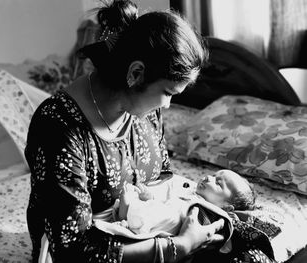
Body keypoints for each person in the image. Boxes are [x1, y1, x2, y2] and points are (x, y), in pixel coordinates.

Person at [25, 0, 225, 262]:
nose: (168, 104)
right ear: (136, 73)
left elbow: (162, 180)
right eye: (167, 93)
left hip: (147, 237)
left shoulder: (144, 112)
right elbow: (72, 250)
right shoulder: (59, 126)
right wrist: (179, 246)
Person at [115, 169, 256, 237]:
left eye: (218, 183)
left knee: (169, 217)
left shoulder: (211, 213)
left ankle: (127, 214)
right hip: (166, 213)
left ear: (225, 206)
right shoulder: (191, 192)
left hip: (175, 226)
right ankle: (129, 218)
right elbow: (168, 201)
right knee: (156, 207)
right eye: (214, 175)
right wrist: (150, 198)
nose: (208, 178)